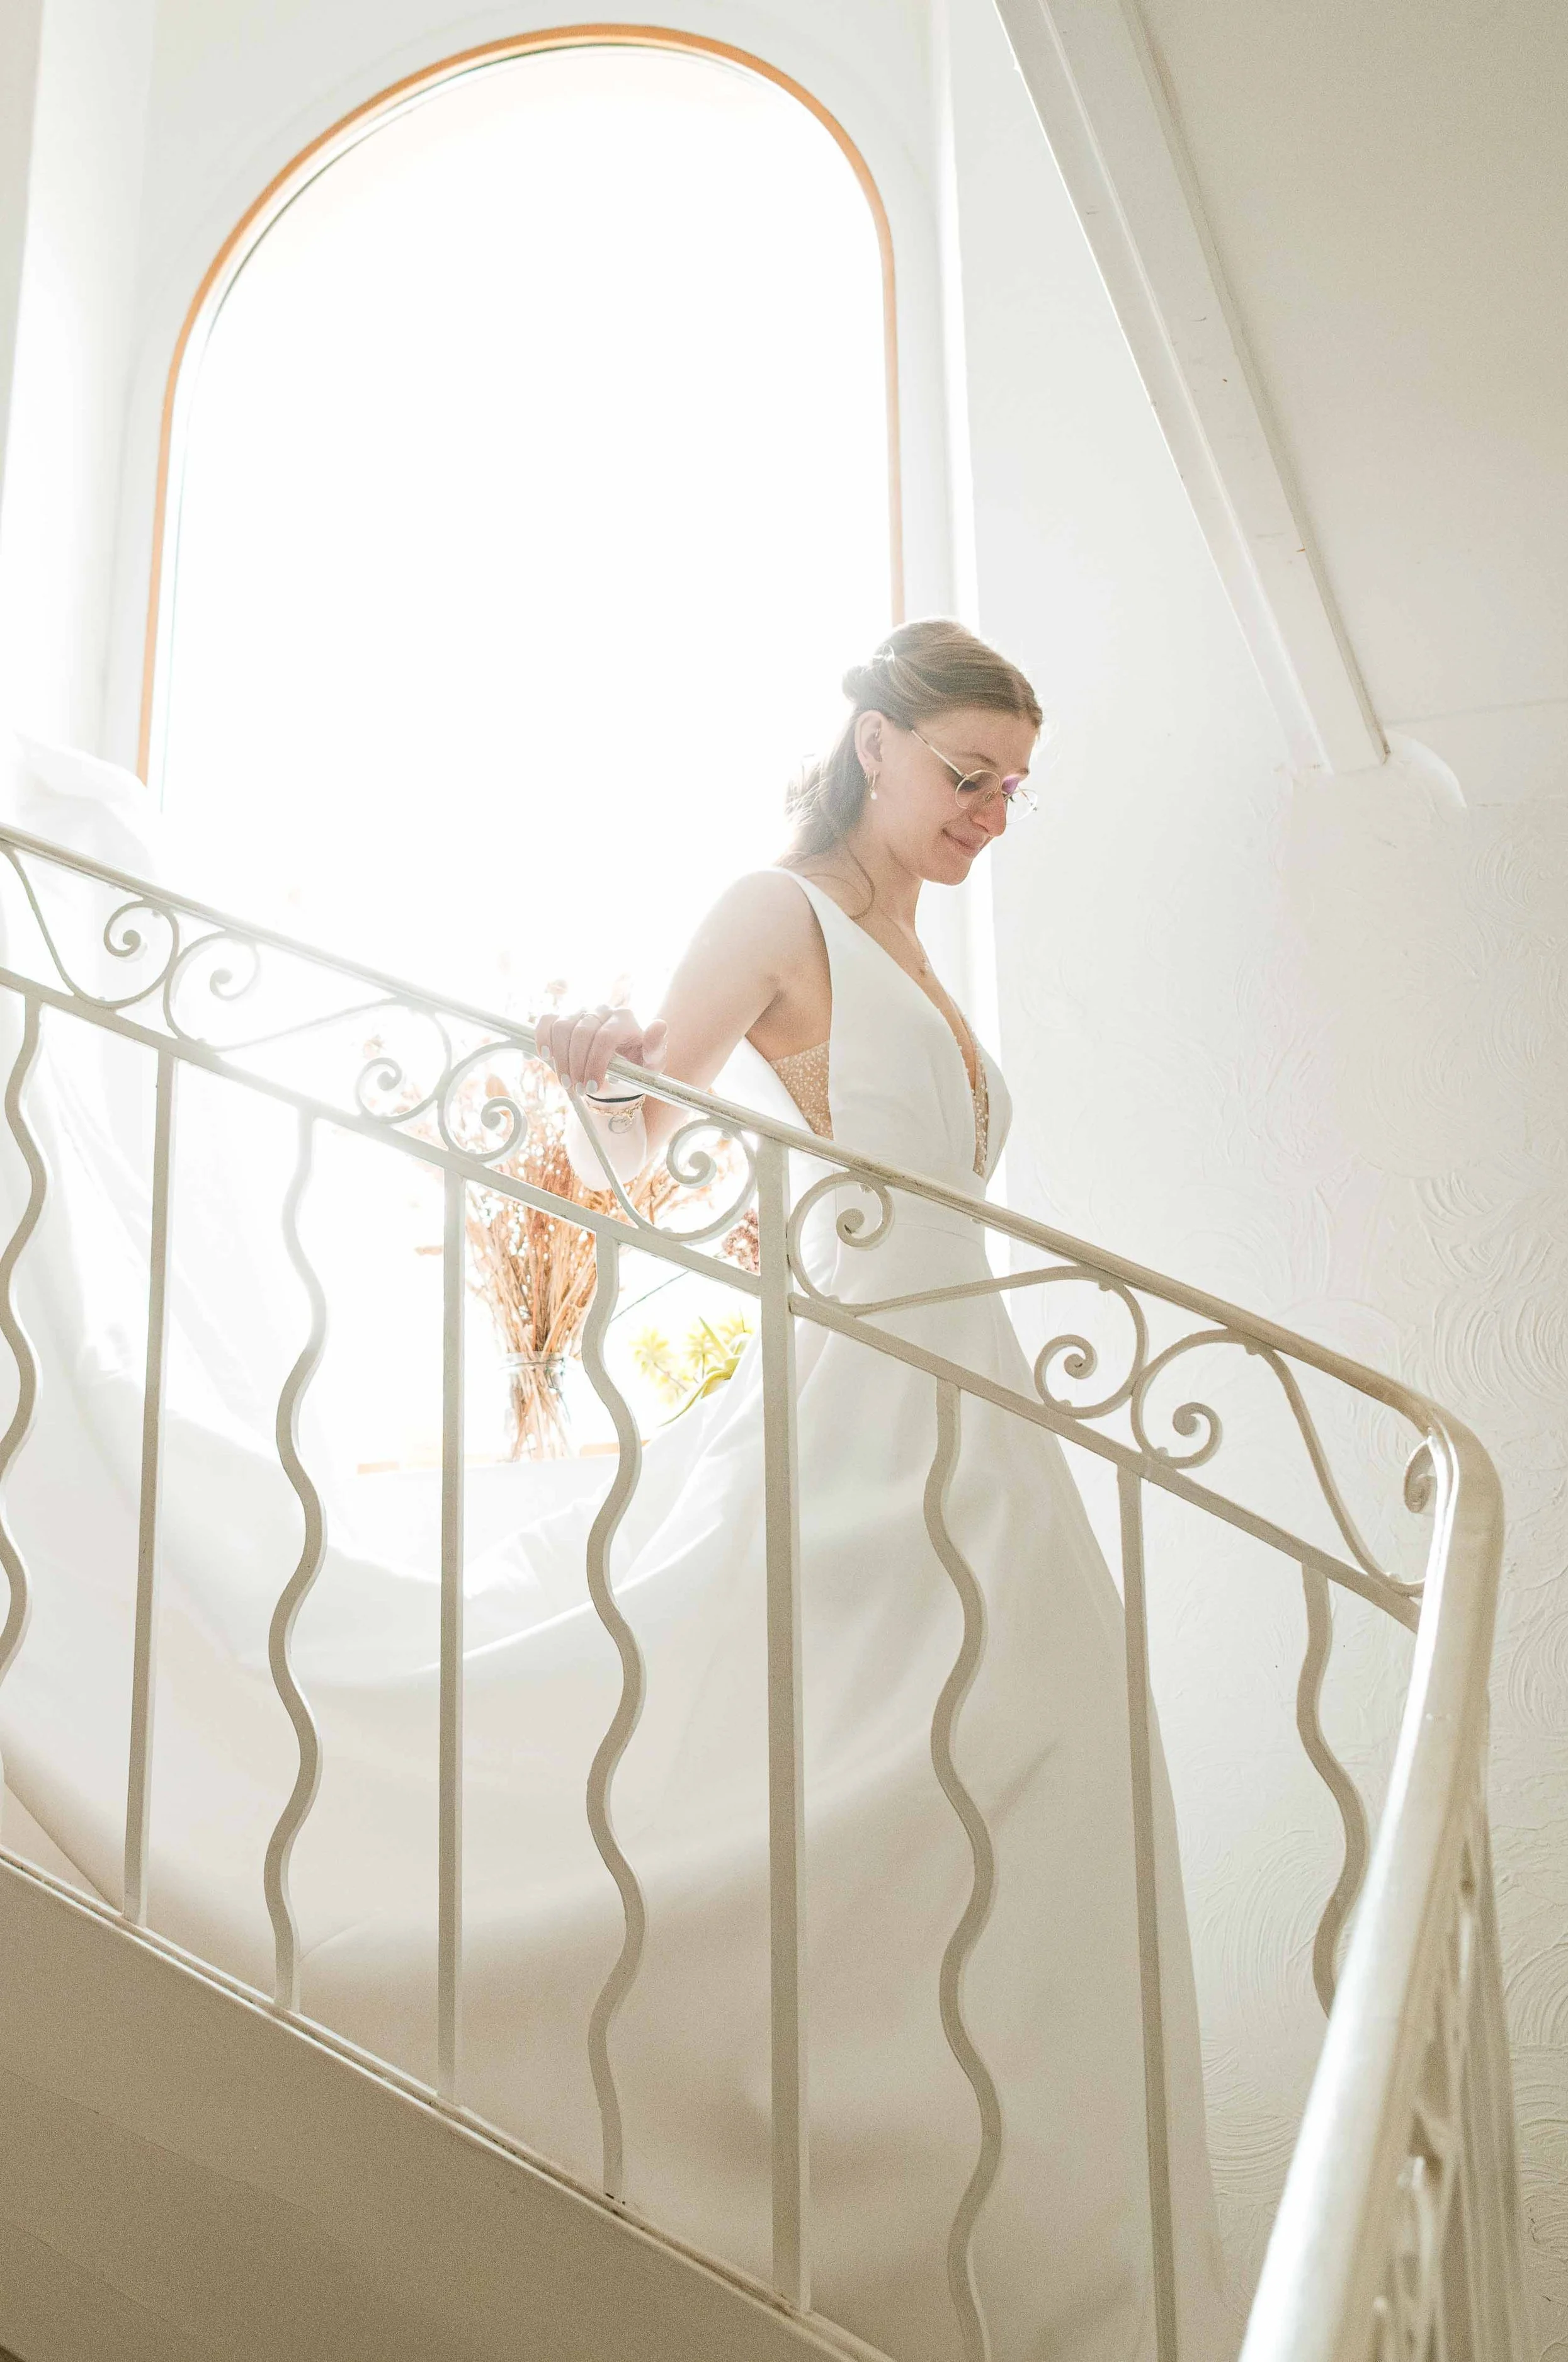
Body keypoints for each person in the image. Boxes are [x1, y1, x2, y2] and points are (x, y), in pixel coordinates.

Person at [534, 618, 1232, 2360]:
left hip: (980, 1398)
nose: (991, 811)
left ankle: (1022, 2278)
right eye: (965, 773)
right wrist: (598, 1068)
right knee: (866, 1758)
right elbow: (635, 1153)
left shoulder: (911, 943)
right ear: (870, 743)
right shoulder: (779, 912)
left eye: (1013, 787)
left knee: (1046, 1773)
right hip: (872, 1394)